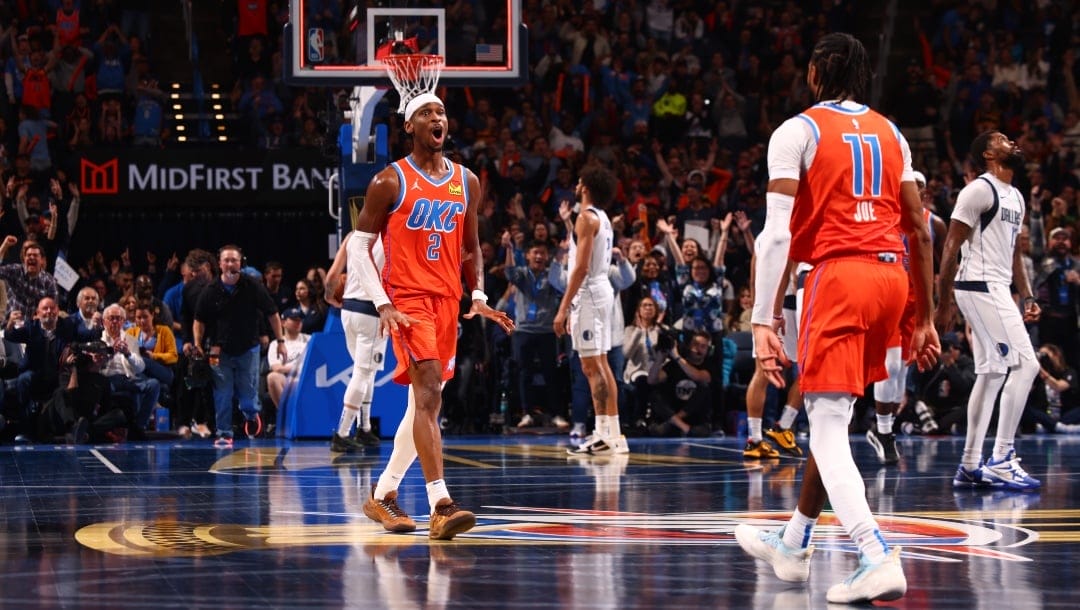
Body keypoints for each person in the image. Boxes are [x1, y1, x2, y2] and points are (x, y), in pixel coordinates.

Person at [733, 33, 939, 604]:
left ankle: (875, 555)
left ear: (817, 72)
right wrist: (923, 318)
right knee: (837, 416)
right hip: (893, 279)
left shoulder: (796, 130)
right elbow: (920, 229)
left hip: (840, 276)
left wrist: (763, 319)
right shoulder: (892, 133)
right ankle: (794, 543)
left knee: (823, 425)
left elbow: (776, 234)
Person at [353, 93, 513, 540]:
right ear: (410, 126)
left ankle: (383, 495)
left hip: (448, 301)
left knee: (424, 405)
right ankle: (440, 503)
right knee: (426, 392)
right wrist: (383, 302)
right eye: (426, 113)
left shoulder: (467, 181)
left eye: (441, 112)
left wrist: (478, 293)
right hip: (408, 301)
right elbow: (358, 246)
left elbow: (470, 246)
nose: (436, 118)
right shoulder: (389, 180)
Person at [935, 130, 1042, 492]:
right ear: (988, 155)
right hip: (977, 286)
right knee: (1027, 364)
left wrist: (1026, 296)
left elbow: (1013, 255)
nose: (1010, 142)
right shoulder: (979, 190)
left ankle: (969, 465)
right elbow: (951, 245)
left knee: (993, 372)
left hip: (995, 287)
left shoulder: (1016, 196)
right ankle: (1001, 458)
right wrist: (943, 302)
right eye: (1000, 140)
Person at [867, 170, 946, 464]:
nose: (917, 191)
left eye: (920, 187)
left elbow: (945, 263)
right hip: (889, 293)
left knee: (901, 368)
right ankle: (884, 430)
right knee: (889, 364)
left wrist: (942, 302)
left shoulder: (933, 223)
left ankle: (885, 428)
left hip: (916, 300)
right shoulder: (882, 216)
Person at [554, 165, 628, 456]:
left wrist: (563, 308)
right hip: (601, 291)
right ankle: (612, 434)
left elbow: (581, 267)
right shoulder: (602, 218)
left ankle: (603, 435)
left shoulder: (586, 217)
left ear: (585, 187)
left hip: (589, 294)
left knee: (592, 366)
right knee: (600, 364)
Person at [192, 244, 286, 447]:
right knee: (222, 394)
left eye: (234, 260)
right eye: (226, 260)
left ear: (240, 262)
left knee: (248, 396)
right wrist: (198, 343)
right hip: (219, 351)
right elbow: (199, 320)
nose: (229, 263)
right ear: (220, 263)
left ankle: (252, 416)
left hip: (248, 348)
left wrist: (280, 341)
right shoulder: (210, 290)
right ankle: (224, 433)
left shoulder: (252, 286)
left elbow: (272, 313)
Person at [323, 230, 386, 452]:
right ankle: (342, 432)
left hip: (348, 310)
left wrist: (329, 296)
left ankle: (365, 427)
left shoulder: (352, 235)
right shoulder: (393, 234)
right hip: (372, 311)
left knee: (366, 371)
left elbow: (332, 276)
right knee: (363, 372)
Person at [502, 234, 565, 429]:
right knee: (524, 374)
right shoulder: (522, 274)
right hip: (524, 331)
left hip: (546, 331)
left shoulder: (551, 276)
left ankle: (556, 414)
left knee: (551, 374)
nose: (539, 256)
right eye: (535, 253)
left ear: (547, 256)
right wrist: (510, 249)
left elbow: (563, 286)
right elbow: (509, 273)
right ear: (528, 255)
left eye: (543, 253)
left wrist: (561, 255)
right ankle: (527, 413)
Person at [645, 329, 714, 437]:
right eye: (695, 344)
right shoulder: (674, 365)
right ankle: (683, 427)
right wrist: (659, 359)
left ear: (708, 350)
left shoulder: (709, 366)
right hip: (673, 415)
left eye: (703, 346)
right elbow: (651, 380)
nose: (698, 349)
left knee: (703, 388)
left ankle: (676, 424)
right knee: (654, 393)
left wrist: (677, 357)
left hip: (694, 418)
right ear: (689, 345)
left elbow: (697, 376)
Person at [264, 307, 310, 421]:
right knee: (272, 377)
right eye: (294, 319)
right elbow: (276, 368)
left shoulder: (310, 340)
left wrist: (287, 368)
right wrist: (297, 368)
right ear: (283, 322)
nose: (298, 323)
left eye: (300, 320)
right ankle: (288, 417)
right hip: (287, 381)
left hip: (306, 380)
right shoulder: (276, 344)